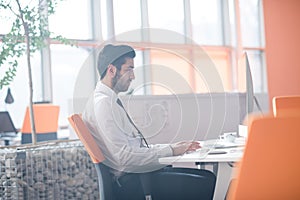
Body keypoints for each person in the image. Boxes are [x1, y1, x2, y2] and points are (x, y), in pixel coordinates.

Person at [82, 44, 201, 199]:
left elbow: (133, 148)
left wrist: (171, 147)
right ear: (111, 70)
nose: (133, 76)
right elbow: (125, 158)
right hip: (131, 182)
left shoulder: (107, 101)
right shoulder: (103, 104)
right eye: (129, 69)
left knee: (201, 177)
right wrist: (171, 150)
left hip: (137, 176)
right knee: (206, 182)